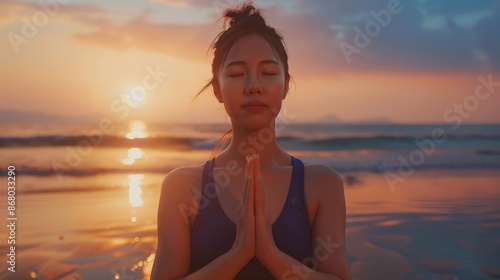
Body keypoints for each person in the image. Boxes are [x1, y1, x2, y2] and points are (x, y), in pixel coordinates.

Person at [151, 3, 351, 279]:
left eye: (268, 73)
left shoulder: (321, 184)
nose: (254, 85)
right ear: (218, 90)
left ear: (285, 86)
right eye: (236, 74)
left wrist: (271, 256)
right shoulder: (183, 187)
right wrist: (237, 256)